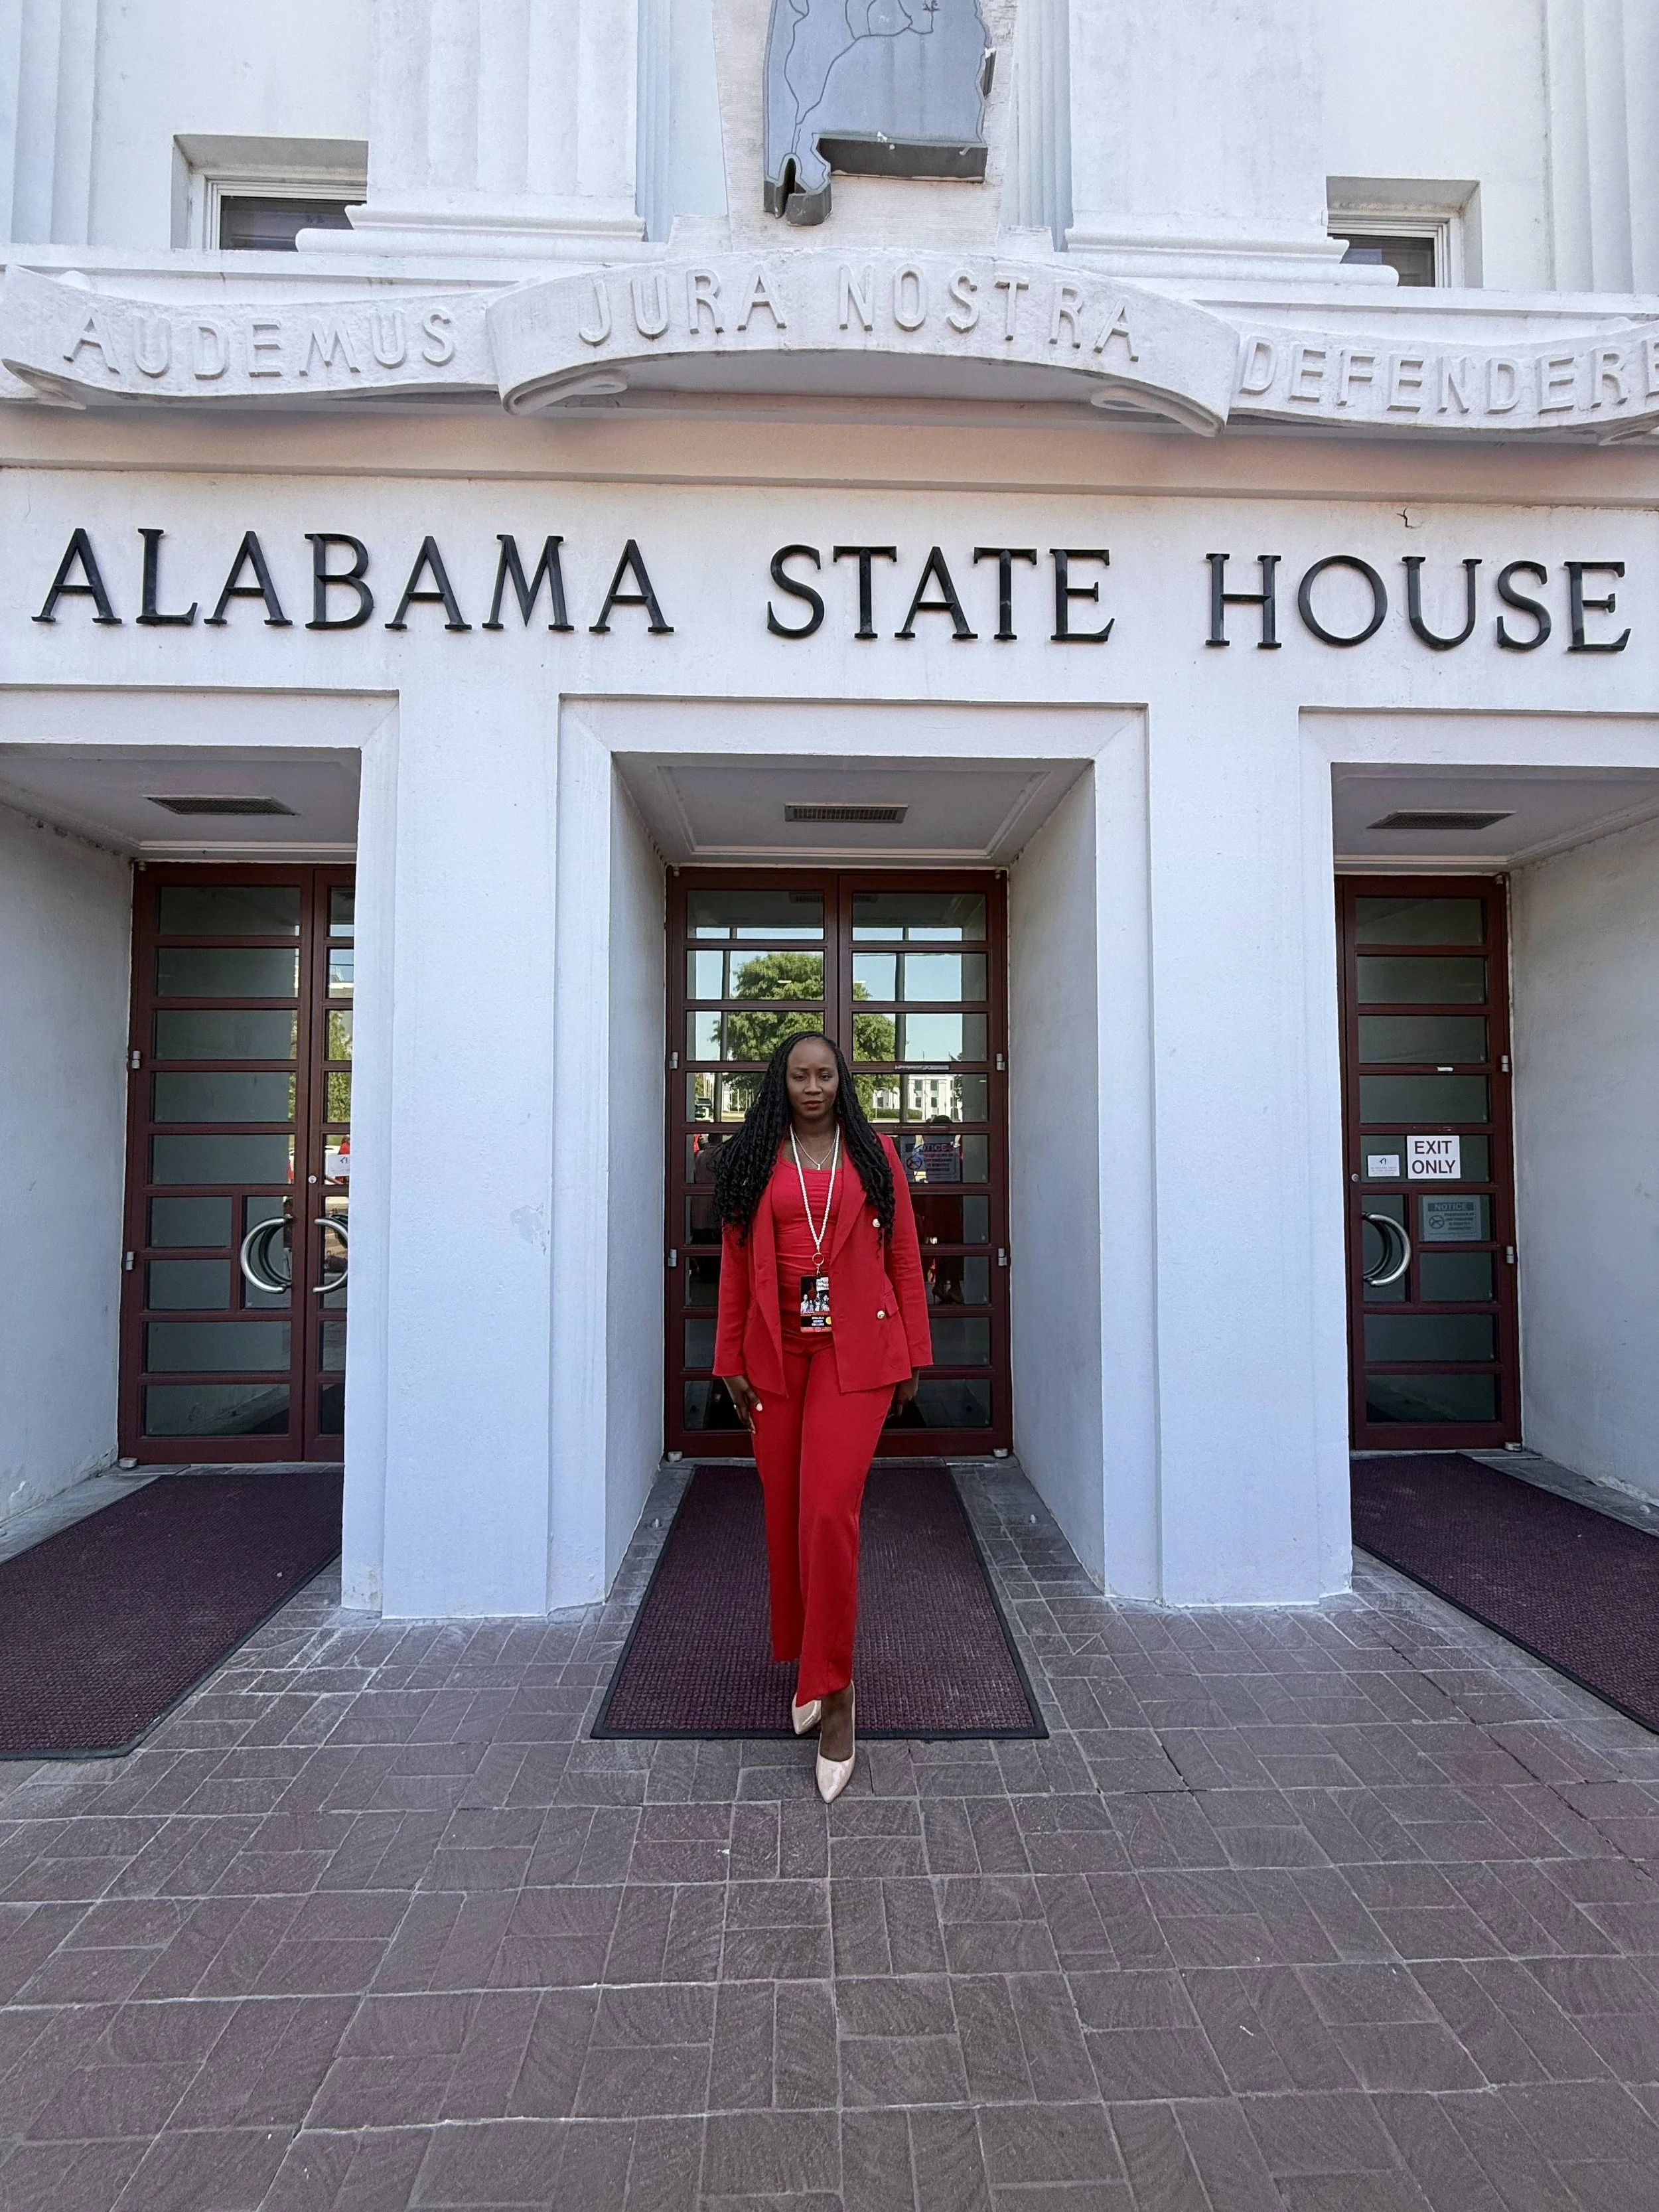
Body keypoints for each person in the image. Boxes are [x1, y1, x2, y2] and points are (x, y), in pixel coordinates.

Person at [713, 1030, 932, 1801]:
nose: (813, 1087)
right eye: (800, 1076)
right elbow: (735, 1267)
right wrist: (730, 1359)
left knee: (829, 1513)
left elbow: (903, 1254)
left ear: (842, 1081)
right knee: (787, 1515)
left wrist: (910, 1353)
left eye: (825, 1075)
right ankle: (811, 1664)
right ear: (783, 1081)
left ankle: (835, 1695)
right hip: (778, 1360)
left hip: (856, 1359)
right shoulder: (752, 1161)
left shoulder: (871, 1157)